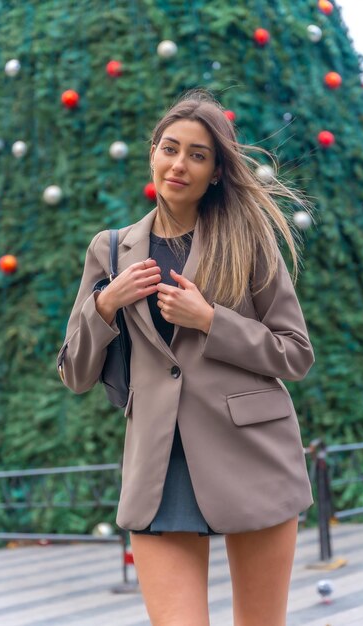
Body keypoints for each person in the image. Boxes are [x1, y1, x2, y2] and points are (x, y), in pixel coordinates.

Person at [57, 89, 315, 626]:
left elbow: (295, 354)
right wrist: (104, 304)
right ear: (152, 152)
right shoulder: (109, 250)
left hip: (253, 457)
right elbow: (75, 374)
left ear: (217, 171)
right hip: (158, 468)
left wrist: (211, 321)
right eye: (170, 148)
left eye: (197, 155)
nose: (180, 164)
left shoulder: (250, 240)